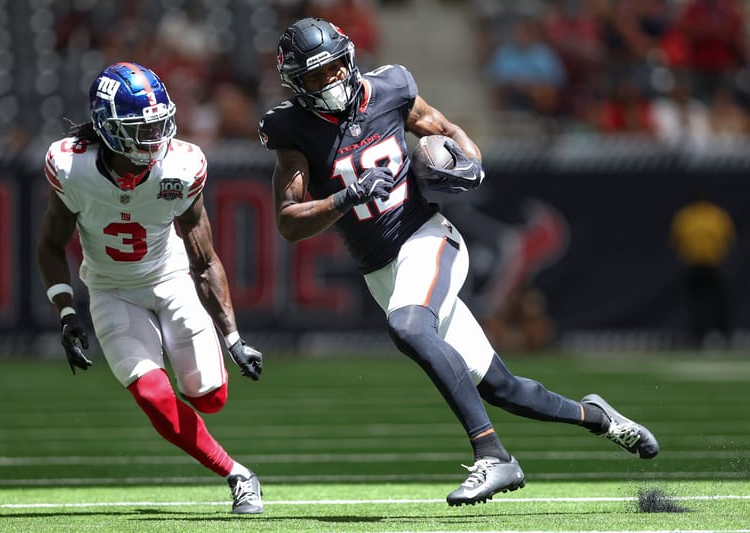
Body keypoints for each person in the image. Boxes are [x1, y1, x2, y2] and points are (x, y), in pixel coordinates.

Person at [258, 18, 659, 506]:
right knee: (503, 388)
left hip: (426, 238)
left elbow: (446, 129)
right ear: (297, 85)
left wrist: (471, 162)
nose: (329, 83)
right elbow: (289, 221)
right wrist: (345, 198)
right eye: (314, 78)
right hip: (380, 270)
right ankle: (600, 418)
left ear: (349, 58)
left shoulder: (392, 87)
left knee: (408, 327)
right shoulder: (291, 129)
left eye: (333, 69)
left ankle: (494, 456)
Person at [36, 62, 264, 514]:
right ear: (108, 128)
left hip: (171, 278)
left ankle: (182, 362)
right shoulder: (71, 166)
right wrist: (66, 312)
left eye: (159, 124)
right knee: (153, 395)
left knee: (210, 399)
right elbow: (49, 244)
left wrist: (233, 337)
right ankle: (238, 475)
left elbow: (204, 258)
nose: (155, 138)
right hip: (110, 289)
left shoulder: (181, 166)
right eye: (140, 128)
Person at [669, 192, 736, 347]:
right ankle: (708, 336)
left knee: (704, 302)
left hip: (700, 265)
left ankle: (706, 336)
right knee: (706, 302)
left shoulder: (686, 217)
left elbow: (675, 242)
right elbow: (730, 240)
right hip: (707, 265)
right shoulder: (716, 215)